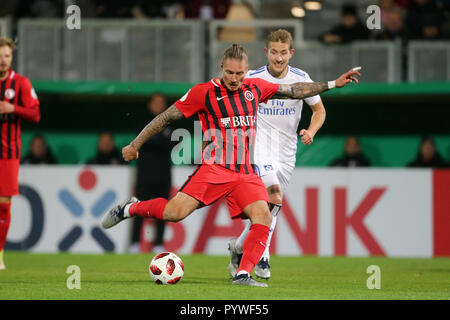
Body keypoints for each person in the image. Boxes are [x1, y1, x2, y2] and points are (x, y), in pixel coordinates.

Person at [101, 44, 360, 287]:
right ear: (221, 68)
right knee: (174, 213)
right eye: (229, 72)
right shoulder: (203, 92)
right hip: (213, 169)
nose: (234, 78)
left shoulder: (255, 88)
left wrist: (332, 84)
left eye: (239, 73)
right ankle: (131, 208)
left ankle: (244, 274)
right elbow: (166, 117)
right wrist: (136, 145)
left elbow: (294, 90)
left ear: (246, 71)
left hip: (245, 173)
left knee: (264, 217)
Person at [227, 29, 327, 280]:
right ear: (266, 52)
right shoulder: (251, 77)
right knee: (274, 196)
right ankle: (262, 255)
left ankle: (239, 247)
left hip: (287, 152)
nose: (279, 57)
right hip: (258, 148)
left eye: (283, 52)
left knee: (270, 207)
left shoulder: (300, 78)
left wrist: (311, 131)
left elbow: (319, 111)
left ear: (291, 53)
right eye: (274, 52)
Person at [0, 37, 40, 270]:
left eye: (6, 56)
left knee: (4, 206)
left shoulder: (21, 84)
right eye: (0, 57)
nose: (3, 61)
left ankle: (0, 254)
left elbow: (35, 115)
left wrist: (12, 108)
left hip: (8, 153)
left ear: (11, 57)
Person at [130, 93, 174, 253]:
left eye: (161, 103)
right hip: (145, 173)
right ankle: (135, 243)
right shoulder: (143, 122)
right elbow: (144, 142)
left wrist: (153, 139)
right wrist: (159, 138)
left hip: (163, 173)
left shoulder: (171, 123)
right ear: (150, 104)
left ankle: (158, 243)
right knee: (138, 207)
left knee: (163, 210)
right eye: (156, 102)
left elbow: (170, 143)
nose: (158, 105)